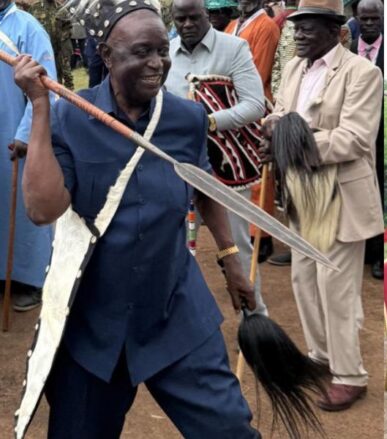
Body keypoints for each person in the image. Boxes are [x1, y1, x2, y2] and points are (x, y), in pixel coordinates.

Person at [12, 0, 260, 435]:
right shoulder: (72, 116)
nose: (157, 64)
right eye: (141, 52)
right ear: (106, 57)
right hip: (93, 325)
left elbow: (202, 186)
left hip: (174, 310)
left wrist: (231, 260)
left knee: (230, 430)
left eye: (163, 51)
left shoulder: (186, 118)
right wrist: (39, 108)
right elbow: (41, 209)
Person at [262, 0, 383, 411]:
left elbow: (355, 138)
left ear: (337, 32)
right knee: (304, 279)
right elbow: (282, 112)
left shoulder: (363, 72)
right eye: (296, 28)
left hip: (339, 190)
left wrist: (290, 143)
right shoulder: (295, 68)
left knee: (337, 288)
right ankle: (320, 357)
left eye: (308, 29)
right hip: (302, 190)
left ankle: (351, 375)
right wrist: (272, 127)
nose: (297, 35)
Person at [167, 0, 269, 315]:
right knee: (175, 247)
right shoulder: (165, 52)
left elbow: (255, 105)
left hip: (227, 164)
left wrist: (208, 121)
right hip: (176, 167)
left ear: (206, 15)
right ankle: (178, 323)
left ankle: (255, 321)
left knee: (235, 247)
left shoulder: (234, 48)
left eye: (193, 17)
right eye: (180, 18)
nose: (187, 24)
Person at [0, 0, 55, 312]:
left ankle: (30, 279)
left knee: (23, 209)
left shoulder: (27, 28)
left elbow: (47, 84)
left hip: (12, 135)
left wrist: (26, 134)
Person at [225, 0, 280, 261]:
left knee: (259, 173)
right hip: (229, 105)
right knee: (237, 171)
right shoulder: (232, 26)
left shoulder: (266, 26)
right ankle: (240, 232)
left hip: (256, 105)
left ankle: (262, 235)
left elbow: (258, 71)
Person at [349, 0, 382, 279]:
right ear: (355, 18)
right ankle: (362, 251)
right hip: (351, 134)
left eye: (375, 18)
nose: (370, 23)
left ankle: (378, 255)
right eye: (365, 19)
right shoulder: (345, 51)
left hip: (381, 134)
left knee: (379, 191)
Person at [25, 0, 72, 88]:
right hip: (40, 51)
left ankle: (59, 98)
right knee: (41, 77)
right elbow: (28, 27)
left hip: (57, 51)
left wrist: (63, 39)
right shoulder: (35, 8)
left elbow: (68, 27)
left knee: (57, 77)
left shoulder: (61, 8)